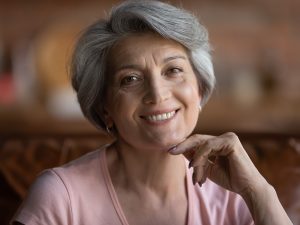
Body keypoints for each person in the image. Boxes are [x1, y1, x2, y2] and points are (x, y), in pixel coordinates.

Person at [11, 1, 292, 225]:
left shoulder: (235, 196)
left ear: (199, 90)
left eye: (173, 71)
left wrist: (260, 193)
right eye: (130, 79)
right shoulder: (61, 196)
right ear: (104, 108)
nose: (158, 94)